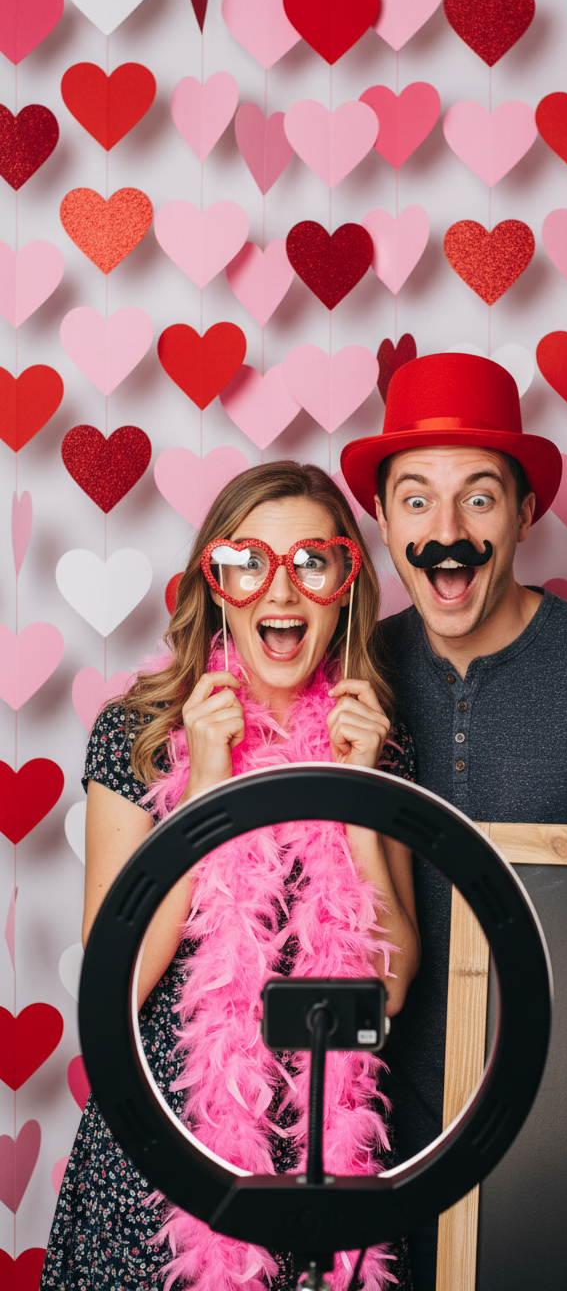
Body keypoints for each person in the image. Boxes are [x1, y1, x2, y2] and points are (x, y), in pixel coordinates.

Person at [341, 351, 567, 1289]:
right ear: (381, 517)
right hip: (377, 1138)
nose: (445, 533)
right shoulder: (349, 679)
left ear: (527, 513)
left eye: (480, 499)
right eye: (415, 499)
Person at [41, 462, 419, 1291]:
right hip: (161, 1159)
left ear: (344, 590)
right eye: (249, 562)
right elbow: (119, 978)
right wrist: (204, 794)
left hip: (315, 1154)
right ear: (217, 587)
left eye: (313, 562)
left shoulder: (375, 740)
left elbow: (389, 990)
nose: (280, 590)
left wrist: (358, 796)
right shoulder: (138, 733)